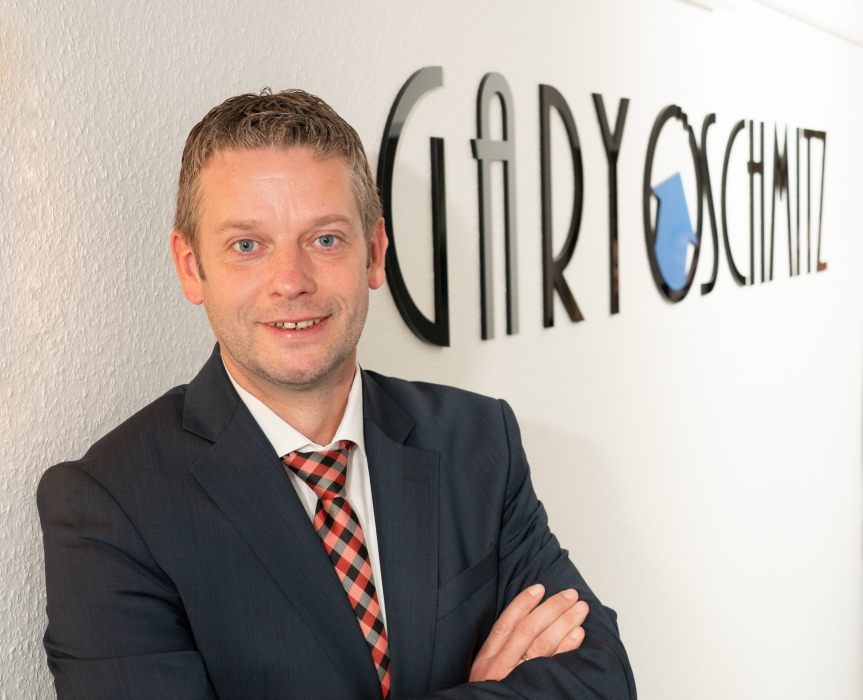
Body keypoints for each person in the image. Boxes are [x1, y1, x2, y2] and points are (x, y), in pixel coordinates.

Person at [37, 89, 636, 700]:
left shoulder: (477, 440)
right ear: (192, 267)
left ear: (374, 254)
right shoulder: (109, 507)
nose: (290, 282)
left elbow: (602, 679)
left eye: (324, 239)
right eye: (247, 245)